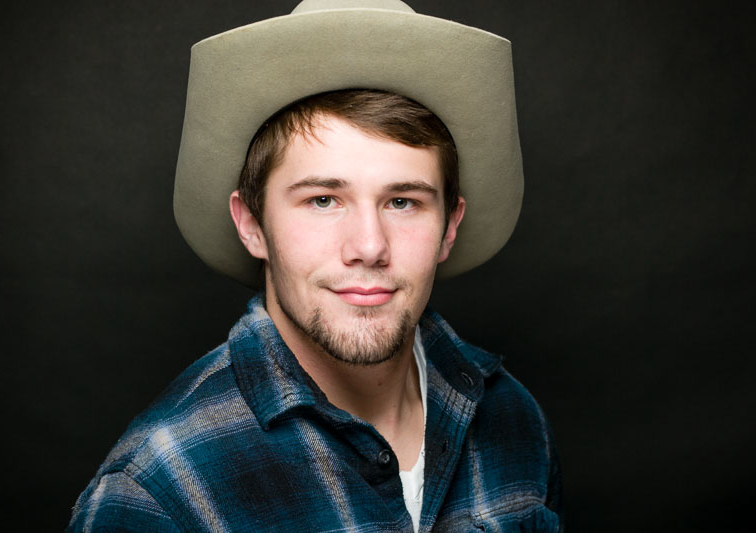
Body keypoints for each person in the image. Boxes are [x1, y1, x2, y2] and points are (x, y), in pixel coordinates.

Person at [69, 1, 563, 531]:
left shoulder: (513, 417)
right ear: (252, 224)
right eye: (323, 200)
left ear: (449, 226)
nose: (369, 246)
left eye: (403, 202)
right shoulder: (157, 490)